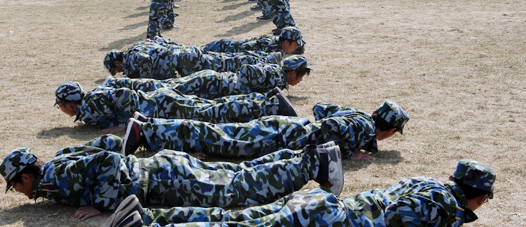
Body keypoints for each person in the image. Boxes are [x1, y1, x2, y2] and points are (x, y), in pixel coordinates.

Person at [0, 135, 344, 221]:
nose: (16, 191)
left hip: (164, 180)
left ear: (26, 176)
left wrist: (100, 204)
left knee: (237, 191)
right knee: (236, 176)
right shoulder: (54, 172)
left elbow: (107, 157)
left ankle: (316, 163)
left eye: (15, 184)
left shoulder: (57, 175)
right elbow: (105, 143)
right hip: (162, 172)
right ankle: (306, 158)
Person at [109, 159, 494, 227]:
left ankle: (151, 216)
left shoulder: (428, 185)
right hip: (327, 221)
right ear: (475, 195)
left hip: (322, 205)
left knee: (238, 218)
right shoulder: (445, 210)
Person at [122, 98, 409, 161]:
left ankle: (149, 128)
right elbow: (331, 124)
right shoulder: (363, 128)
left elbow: (324, 109)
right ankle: (146, 130)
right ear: (389, 131)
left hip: (282, 129)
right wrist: (349, 152)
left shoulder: (361, 118)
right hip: (277, 136)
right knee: (214, 137)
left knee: (215, 135)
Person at [54, 81, 297, 130]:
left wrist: (130, 122)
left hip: (161, 107)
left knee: (212, 113)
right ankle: (266, 100)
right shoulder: (90, 105)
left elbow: (125, 95)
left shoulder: (92, 106)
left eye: (60, 106)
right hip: (162, 103)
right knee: (212, 108)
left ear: (69, 104)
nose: (62, 110)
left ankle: (271, 104)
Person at [105, 55, 311, 99]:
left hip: (213, 84)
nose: (299, 81)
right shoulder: (276, 75)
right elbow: (248, 69)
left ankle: (120, 85)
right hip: (212, 84)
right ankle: (117, 84)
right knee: (165, 89)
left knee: (166, 87)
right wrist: (244, 92)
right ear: (292, 73)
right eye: (300, 77)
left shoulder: (277, 77)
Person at [103, 37, 280, 80]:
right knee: (226, 60)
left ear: (118, 62)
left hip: (186, 63)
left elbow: (145, 61)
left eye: (116, 69)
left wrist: (145, 80)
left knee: (227, 65)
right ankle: (265, 58)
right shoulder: (136, 46)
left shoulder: (133, 57)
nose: (119, 71)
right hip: (186, 55)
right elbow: (158, 41)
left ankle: (268, 60)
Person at [201, 25, 305, 54]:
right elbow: (242, 51)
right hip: (221, 50)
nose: (296, 47)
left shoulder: (278, 46)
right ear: (286, 42)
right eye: (296, 44)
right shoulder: (269, 46)